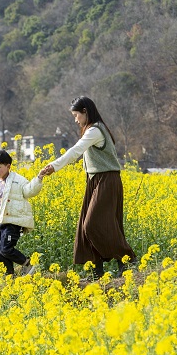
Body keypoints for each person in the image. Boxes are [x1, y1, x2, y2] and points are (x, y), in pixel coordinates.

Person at [40, 96, 136, 279]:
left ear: (85, 112)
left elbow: (75, 151)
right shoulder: (92, 129)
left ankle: (127, 259)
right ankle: (96, 271)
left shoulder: (95, 130)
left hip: (107, 179)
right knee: (87, 227)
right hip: (95, 180)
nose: (76, 119)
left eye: (77, 115)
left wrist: (54, 166)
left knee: (93, 224)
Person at [0, 149, 46, 276]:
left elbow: (29, 191)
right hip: (1, 222)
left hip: (13, 222)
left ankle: (28, 263)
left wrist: (38, 178)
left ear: (8, 166)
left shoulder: (18, 180)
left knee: (6, 249)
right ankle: (9, 276)